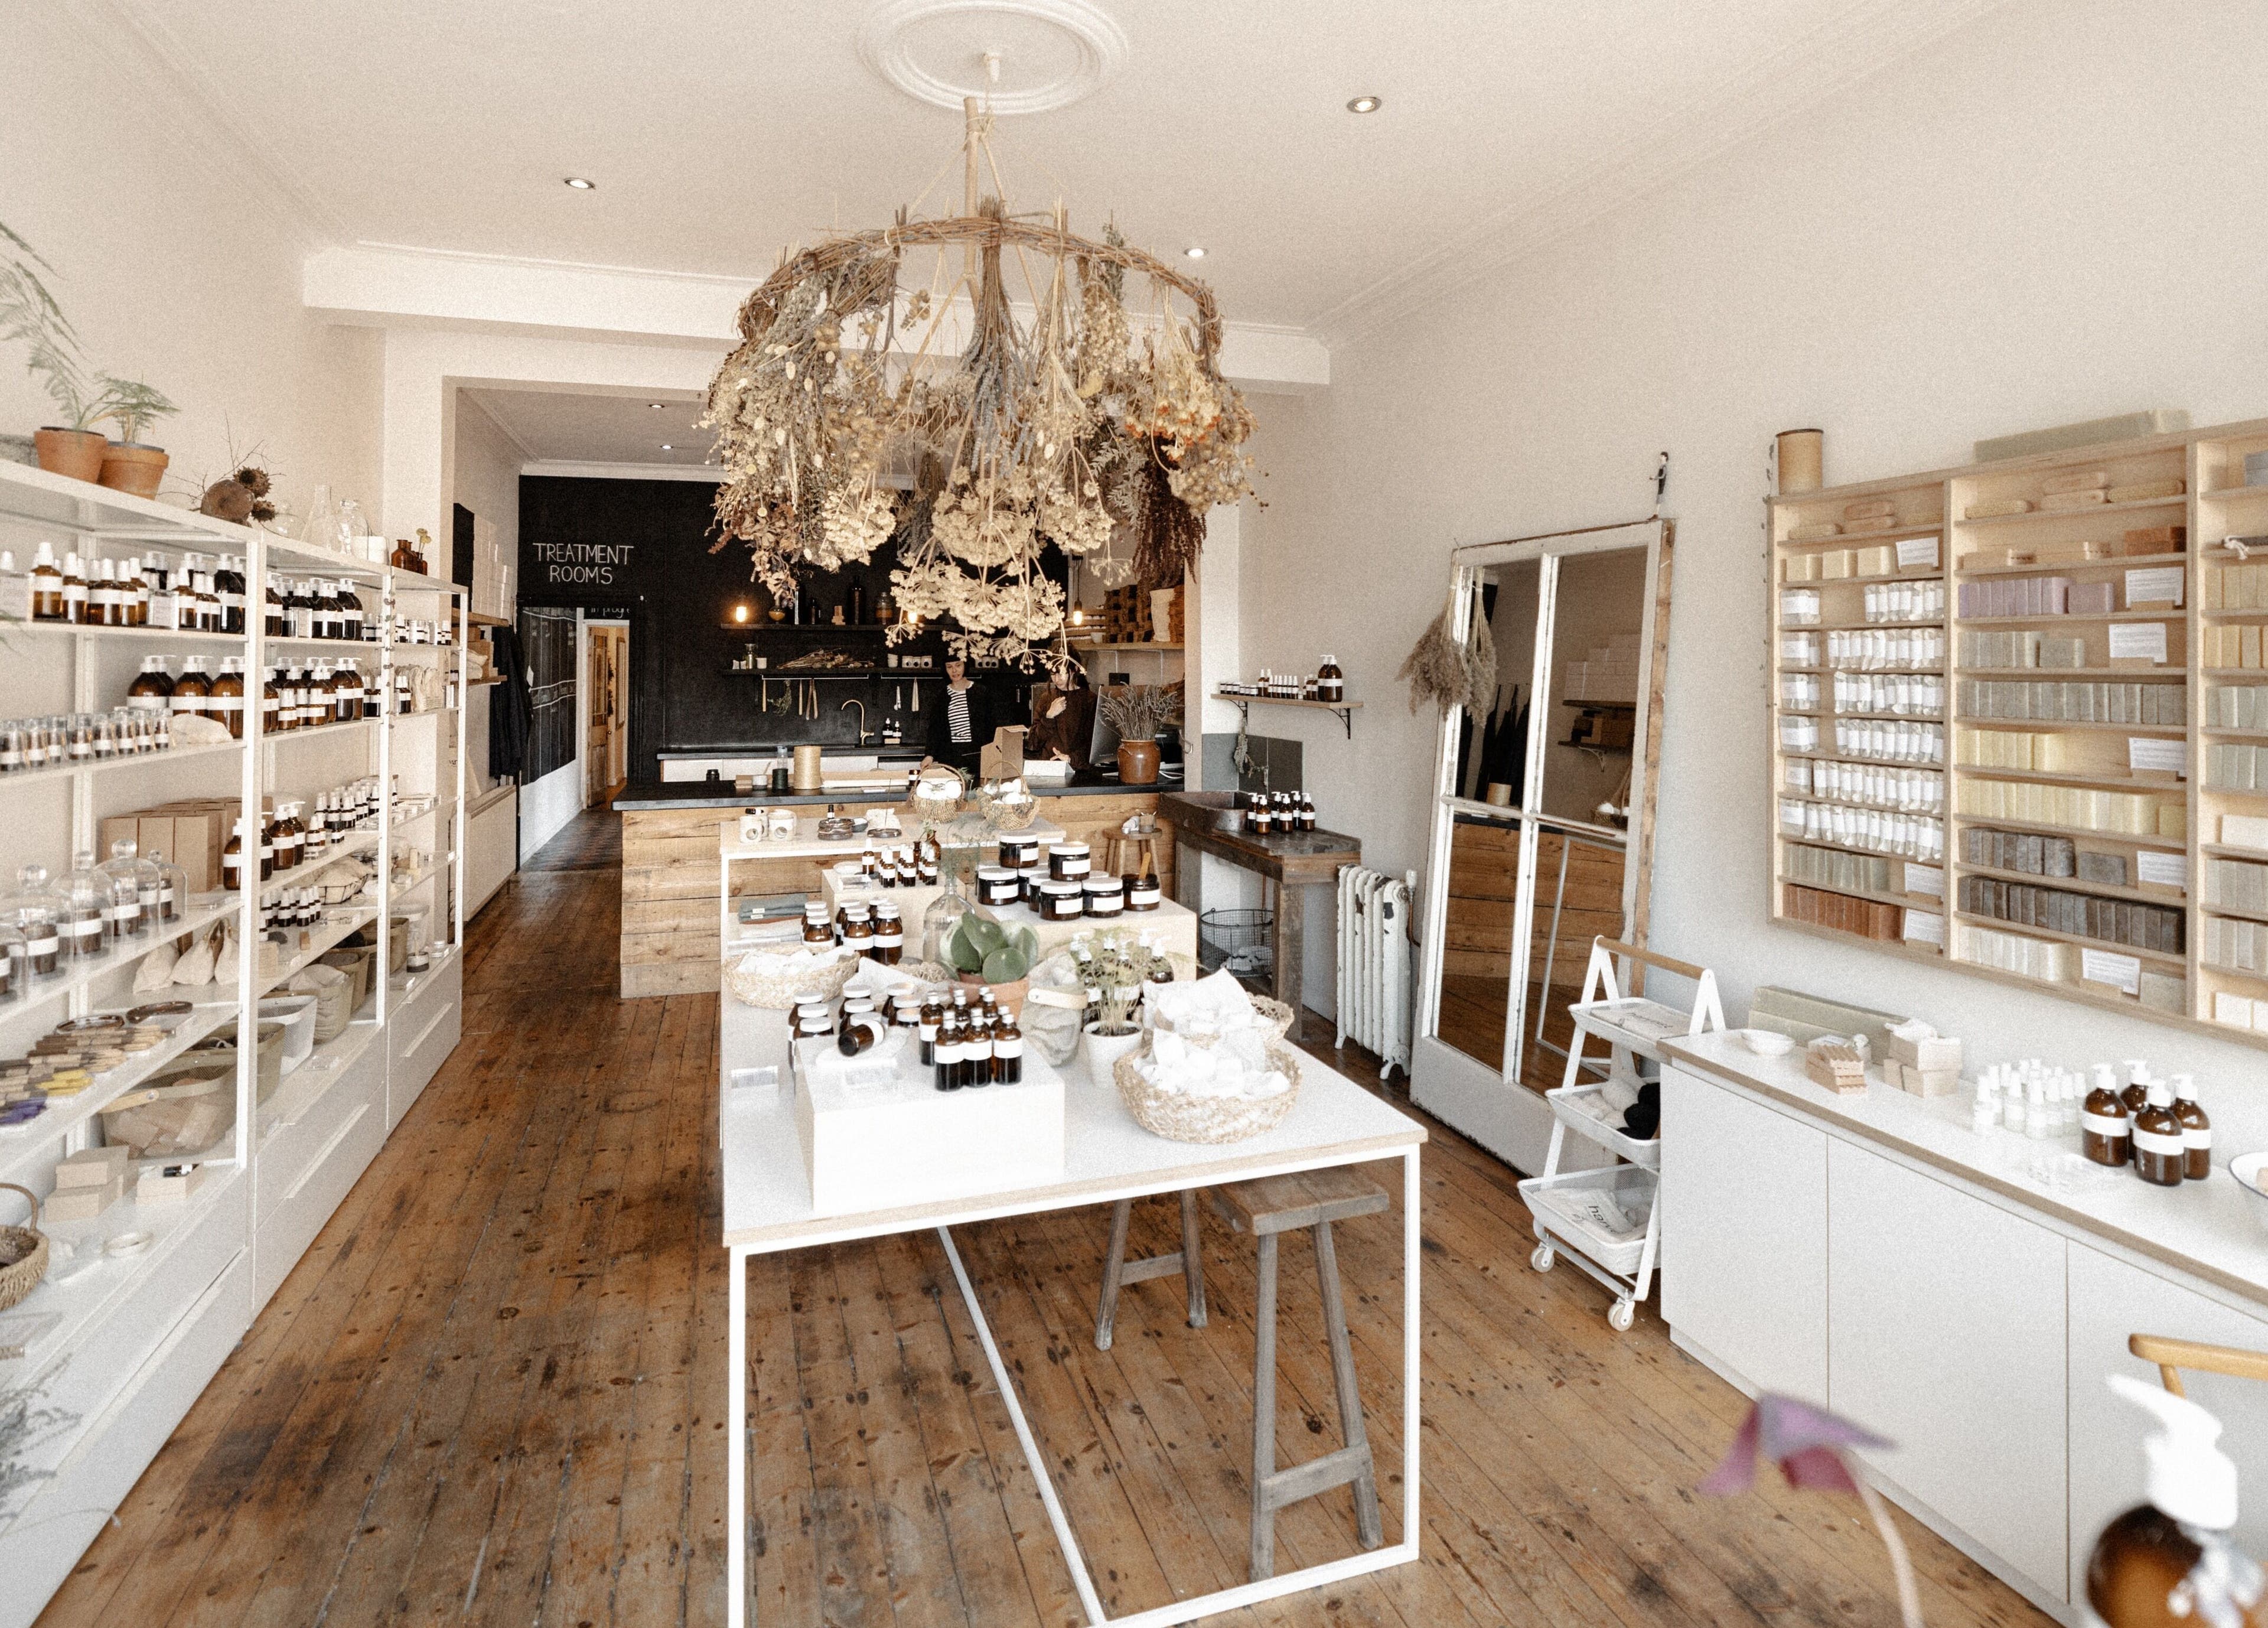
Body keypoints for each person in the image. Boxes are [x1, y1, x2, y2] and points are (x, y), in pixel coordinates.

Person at [923, 656, 999, 776]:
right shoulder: (942, 696)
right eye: (949, 667)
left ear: (965, 666)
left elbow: (992, 726)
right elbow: (935, 729)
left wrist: (995, 752)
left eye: (958, 665)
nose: (954, 671)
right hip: (950, 757)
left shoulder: (982, 692)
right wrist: (929, 755)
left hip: (978, 756)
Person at [1024, 672, 1094, 770]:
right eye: (1053, 674)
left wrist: (1071, 759)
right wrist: (1049, 716)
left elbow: (1093, 744)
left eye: (1061, 674)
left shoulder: (1089, 700)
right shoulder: (1046, 698)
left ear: (1074, 670)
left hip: (1078, 770)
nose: (1056, 679)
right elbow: (1034, 743)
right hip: (1047, 768)